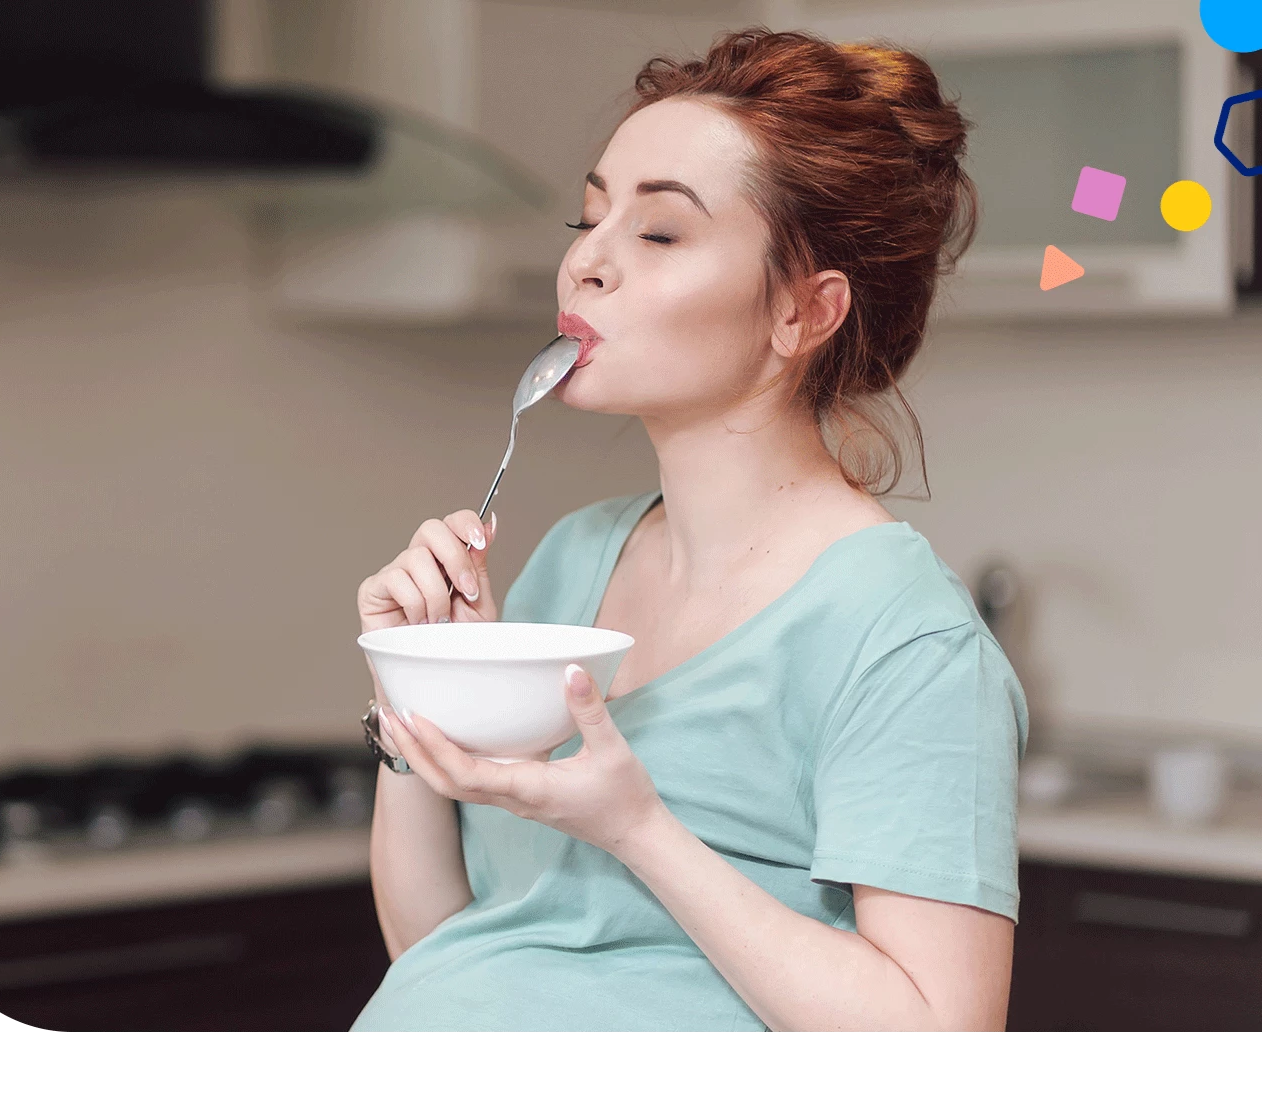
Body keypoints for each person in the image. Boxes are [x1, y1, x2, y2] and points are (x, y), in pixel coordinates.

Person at [350, 27, 1026, 1032]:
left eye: (656, 234)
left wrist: (637, 828)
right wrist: (412, 686)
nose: (583, 261)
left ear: (802, 311)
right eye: (587, 217)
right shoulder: (573, 559)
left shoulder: (903, 640)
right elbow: (441, 943)